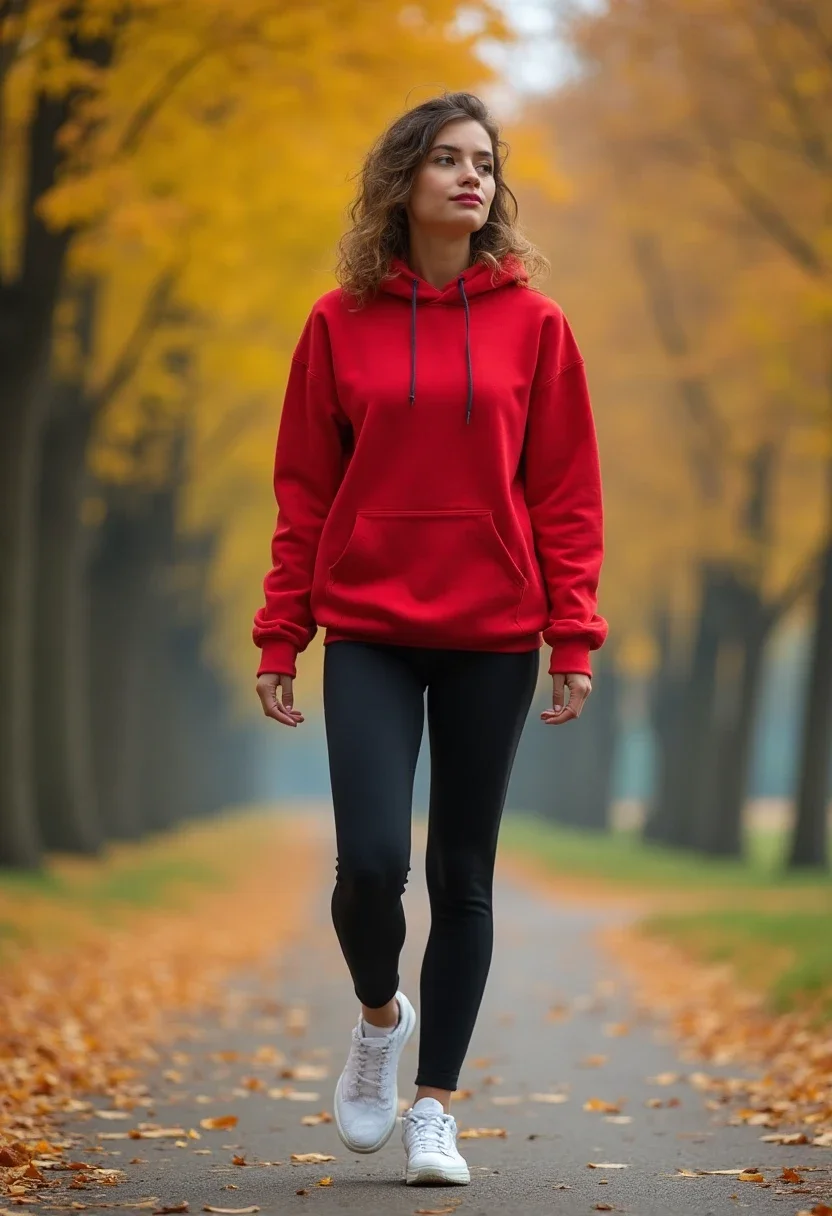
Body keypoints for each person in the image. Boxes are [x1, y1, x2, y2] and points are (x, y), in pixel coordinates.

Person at [253, 91, 607, 1187]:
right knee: (368, 865)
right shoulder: (335, 322)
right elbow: (305, 491)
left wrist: (572, 636)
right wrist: (281, 631)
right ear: (402, 177)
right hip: (365, 622)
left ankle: (434, 1108)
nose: (470, 178)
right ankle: (377, 1015)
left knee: (462, 875)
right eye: (447, 160)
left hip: (492, 632)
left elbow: (564, 494)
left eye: (484, 164)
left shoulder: (537, 327)